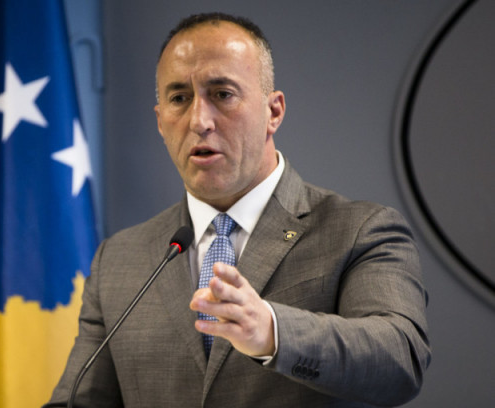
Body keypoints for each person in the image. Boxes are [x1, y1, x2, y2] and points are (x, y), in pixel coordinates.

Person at [45, 12, 430, 407]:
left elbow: (400, 359)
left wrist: (273, 332)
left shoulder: (360, 230)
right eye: (179, 98)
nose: (199, 121)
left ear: (273, 112)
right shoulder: (119, 260)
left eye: (222, 94)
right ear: (160, 122)